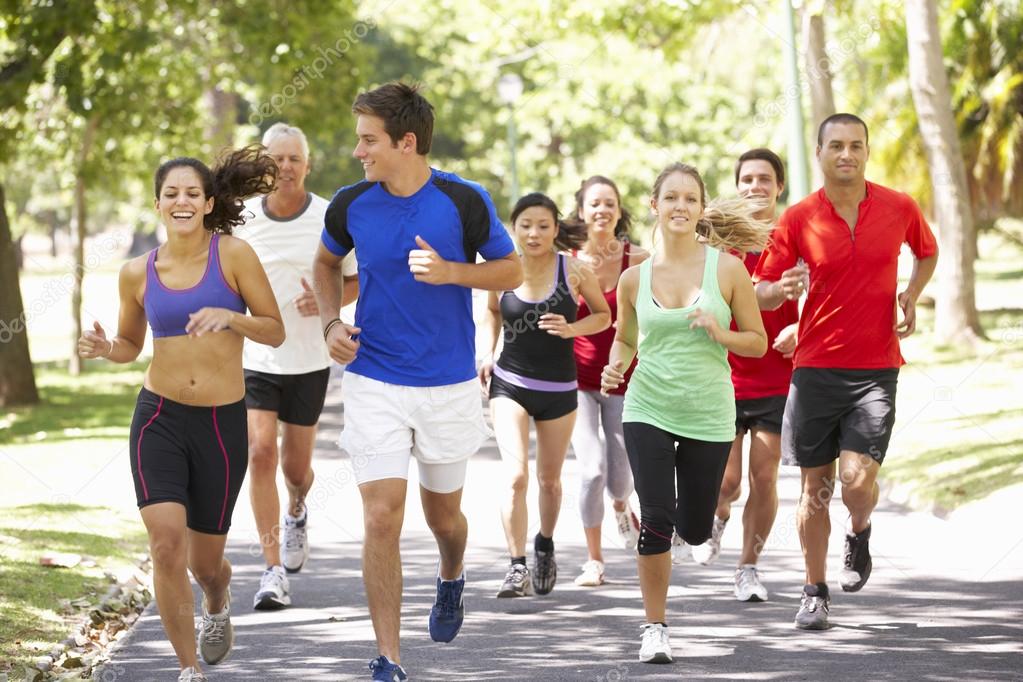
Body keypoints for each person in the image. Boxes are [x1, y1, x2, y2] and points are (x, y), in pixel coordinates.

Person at [312, 82, 522, 682]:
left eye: (369, 140)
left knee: (443, 519)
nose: (358, 152)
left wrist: (453, 272)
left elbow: (511, 269)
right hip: (374, 377)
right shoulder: (352, 204)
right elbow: (326, 264)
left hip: (447, 383)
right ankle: (388, 657)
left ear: (407, 142)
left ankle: (451, 574)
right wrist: (331, 322)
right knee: (381, 516)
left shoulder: (464, 200)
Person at [78, 148, 284, 682]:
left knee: (205, 564)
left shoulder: (234, 255)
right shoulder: (136, 272)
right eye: (172, 194)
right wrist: (107, 349)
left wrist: (231, 317)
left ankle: (218, 599)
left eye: (192, 193)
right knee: (166, 543)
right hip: (158, 418)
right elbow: (130, 344)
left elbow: (274, 328)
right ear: (158, 205)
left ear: (209, 202)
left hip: (220, 424)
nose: (182, 201)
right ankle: (188, 668)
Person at [753, 113, 938, 630]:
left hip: (877, 367)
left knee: (857, 481)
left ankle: (860, 529)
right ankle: (814, 591)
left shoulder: (899, 207)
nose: (846, 154)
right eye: (836, 145)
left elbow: (927, 252)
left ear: (867, 151)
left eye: (856, 145)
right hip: (814, 368)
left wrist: (911, 295)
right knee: (815, 488)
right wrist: (780, 290)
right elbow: (762, 289)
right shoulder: (798, 218)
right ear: (820, 152)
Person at [601, 162, 769, 664]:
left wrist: (721, 334)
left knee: (693, 529)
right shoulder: (634, 278)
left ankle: (691, 523)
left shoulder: (727, 270)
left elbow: (758, 343)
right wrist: (616, 368)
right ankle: (654, 627)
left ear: (701, 208)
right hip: (648, 405)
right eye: (670, 198)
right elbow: (626, 337)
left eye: (690, 199)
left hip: (708, 412)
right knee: (657, 521)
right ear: (654, 206)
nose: (680, 206)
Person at [234, 123, 359, 611]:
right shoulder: (242, 219)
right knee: (261, 452)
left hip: (308, 360)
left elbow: (353, 283)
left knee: (295, 467)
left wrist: (324, 304)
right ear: (264, 165)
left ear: (307, 166)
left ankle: (298, 510)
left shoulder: (329, 217)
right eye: (276, 159)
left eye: (294, 159)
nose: (285, 167)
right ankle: (272, 572)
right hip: (257, 356)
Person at [478, 192, 610, 598]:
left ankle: (545, 544)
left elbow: (603, 316)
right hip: (510, 384)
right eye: (525, 225)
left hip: (558, 388)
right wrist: (487, 351)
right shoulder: (503, 269)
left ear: (555, 229)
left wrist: (572, 329)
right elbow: (492, 312)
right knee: (515, 477)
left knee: (549, 482)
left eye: (542, 225)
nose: (533, 233)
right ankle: (516, 566)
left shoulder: (573, 270)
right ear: (513, 228)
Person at [688, 149, 799, 605]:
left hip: (777, 376)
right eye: (747, 178)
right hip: (724, 373)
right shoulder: (715, 241)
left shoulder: (795, 235)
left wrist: (802, 328)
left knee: (765, 476)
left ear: (779, 186)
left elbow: (821, 293)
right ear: (736, 186)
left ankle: (748, 568)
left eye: (765, 179)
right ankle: (717, 518)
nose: (756, 186)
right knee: (728, 481)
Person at [566, 176, 649, 588]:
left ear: (619, 211)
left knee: (619, 478)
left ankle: (621, 505)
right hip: (575, 382)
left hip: (623, 380)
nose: (602, 210)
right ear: (581, 211)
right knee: (590, 471)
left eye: (609, 203)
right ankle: (594, 560)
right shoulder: (566, 259)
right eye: (594, 204)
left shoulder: (639, 258)